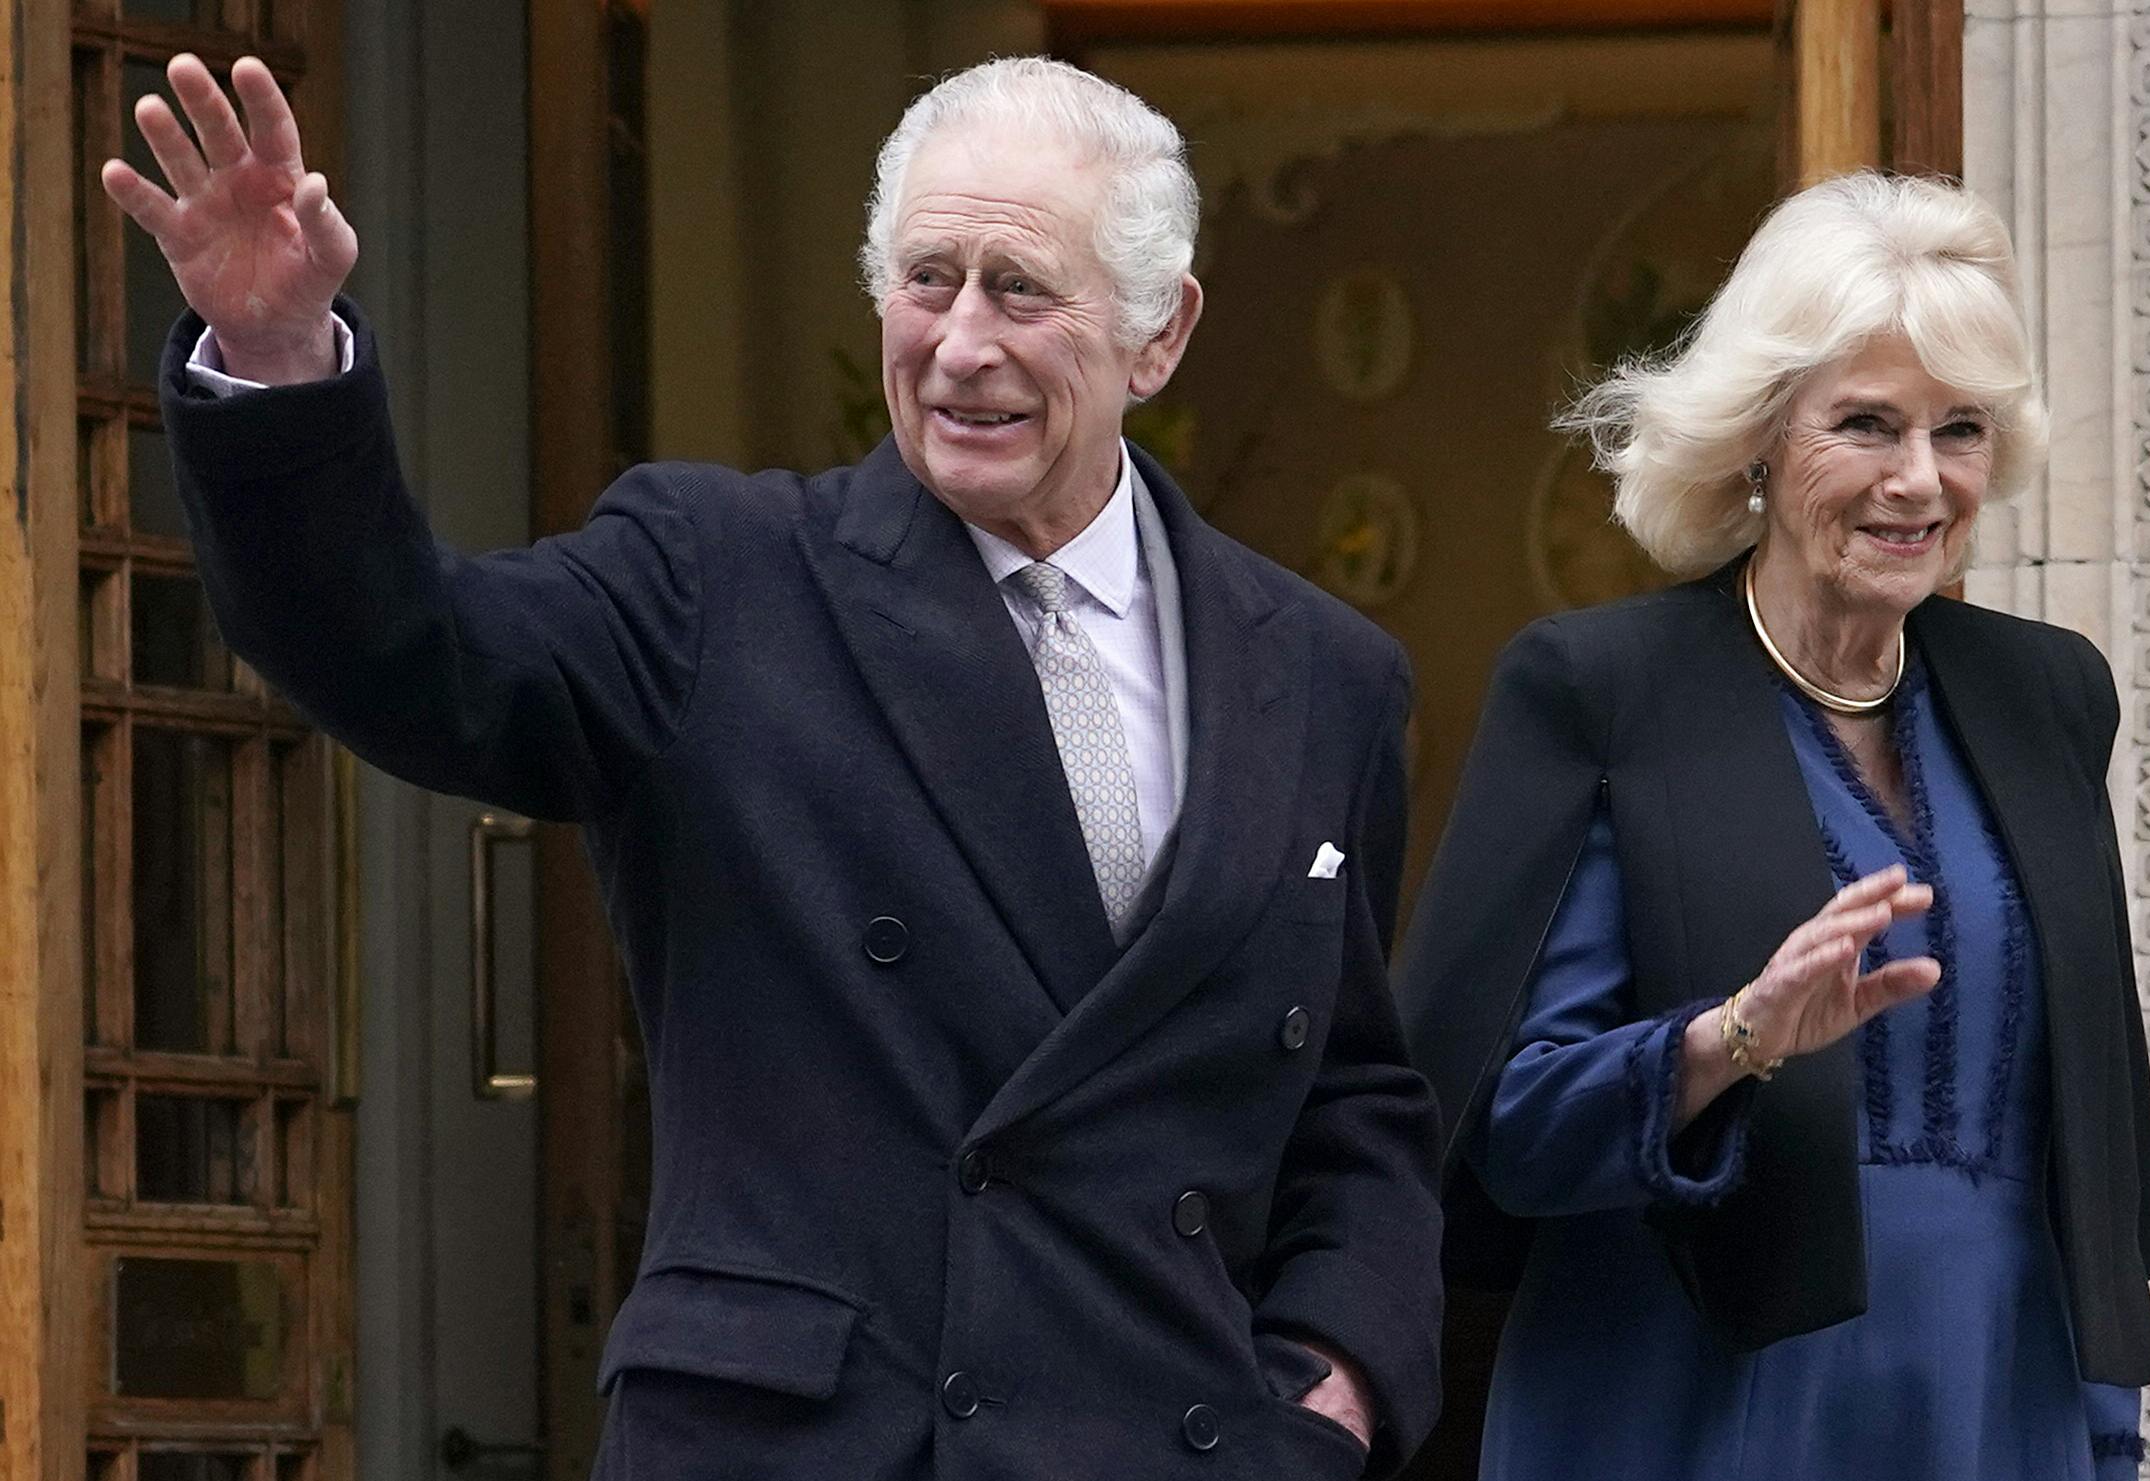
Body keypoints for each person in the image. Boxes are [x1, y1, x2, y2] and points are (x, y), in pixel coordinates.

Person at [105, 52, 1443, 1481]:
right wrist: (278, 361)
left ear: (1156, 334)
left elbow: (1352, 1096)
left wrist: (1335, 1383)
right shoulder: (715, 576)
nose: (962, 343)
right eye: (928, 278)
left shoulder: (1321, 674)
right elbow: (408, 652)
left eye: (1021, 290)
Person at [1396, 173, 2150, 1480]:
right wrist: (1729, 1039)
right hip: (1690, 1414)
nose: (1917, 481)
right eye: (1865, 424)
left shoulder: (2046, 696)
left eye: (1959, 428)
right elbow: (1500, 1129)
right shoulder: (1603, 691)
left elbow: (2078, 1138)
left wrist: (2104, 1438)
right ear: (1757, 436)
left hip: (1994, 1407)